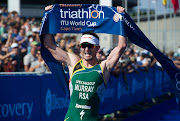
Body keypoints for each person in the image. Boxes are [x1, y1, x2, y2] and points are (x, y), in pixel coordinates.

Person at [44, 5, 127, 121]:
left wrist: (121, 19)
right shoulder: (74, 62)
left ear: (97, 47)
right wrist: (48, 16)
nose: (87, 49)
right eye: (84, 46)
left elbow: (121, 46)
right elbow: (49, 45)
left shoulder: (103, 66)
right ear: (80, 47)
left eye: (90, 46)